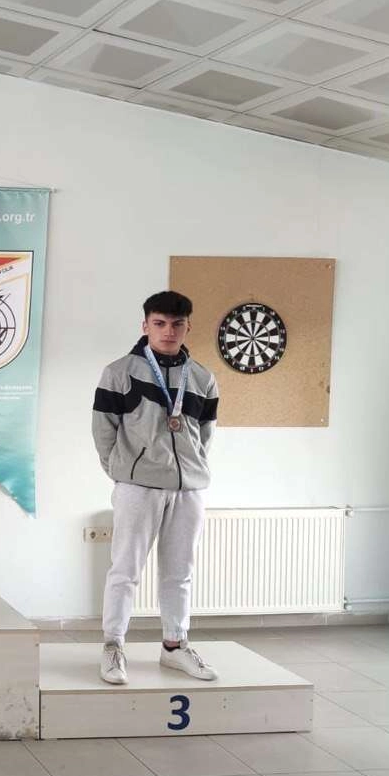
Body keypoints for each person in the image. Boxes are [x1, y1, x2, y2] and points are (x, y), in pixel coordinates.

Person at [92, 290, 220, 685]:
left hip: (188, 488)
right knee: (125, 569)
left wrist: (192, 470)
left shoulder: (202, 378)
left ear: (187, 327)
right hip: (138, 486)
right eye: (160, 323)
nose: (168, 331)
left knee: (180, 571)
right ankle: (113, 645)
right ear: (145, 325)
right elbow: (103, 431)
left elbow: (205, 434)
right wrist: (122, 471)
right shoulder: (119, 372)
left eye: (177, 324)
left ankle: (175, 646)